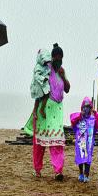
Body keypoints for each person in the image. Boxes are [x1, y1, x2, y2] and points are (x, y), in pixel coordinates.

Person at [24, 43, 70, 181]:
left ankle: (58, 171)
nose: (58, 60)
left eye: (60, 58)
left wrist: (63, 77)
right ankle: (37, 169)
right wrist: (36, 109)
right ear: (52, 58)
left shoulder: (61, 71)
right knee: (39, 142)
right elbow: (39, 88)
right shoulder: (46, 69)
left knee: (57, 141)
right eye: (56, 57)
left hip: (57, 109)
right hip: (44, 109)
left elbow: (67, 89)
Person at [70, 97, 98, 182]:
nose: (86, 109)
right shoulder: (78, 117)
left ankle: (86, 175)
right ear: (81, 108)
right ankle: (81, 173)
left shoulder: (93, 118)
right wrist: (80, 115)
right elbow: (72, 120)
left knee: (88, 159)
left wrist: (95, 113)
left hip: (89, 142)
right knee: (80, 158)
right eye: (84, 107)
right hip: (80, 142)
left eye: (88, 107)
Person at [30, 49, 51, 118]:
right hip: (38, 85)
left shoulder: (46, 66)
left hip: (44, 84)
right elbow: (36, 75)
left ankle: (42, 108)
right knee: (38, 98)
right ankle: (35, 111)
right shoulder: (38, 67)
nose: (46, 63)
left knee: (47, 95)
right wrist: (42, 78)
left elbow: (48, 72)